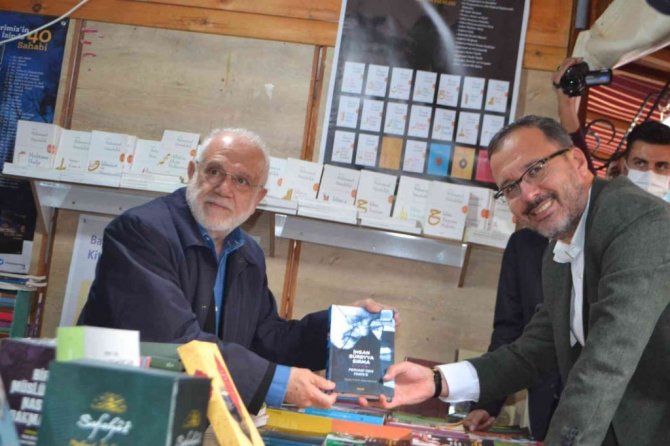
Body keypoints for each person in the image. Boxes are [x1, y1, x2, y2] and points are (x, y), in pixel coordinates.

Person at [364, 116, 670, 446]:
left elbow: (607, 360)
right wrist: (437, 381)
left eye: (535, 169)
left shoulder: (641, 221)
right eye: (510, 188)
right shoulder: (559, 250)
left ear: (578, 161)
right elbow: (533, 351)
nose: (528, 194)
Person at [78, 128, 395, 414]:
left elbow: (268, 340)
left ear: (258, 199)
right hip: (109, 415)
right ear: (192, 173)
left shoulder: (247, 253)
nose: (224, 188)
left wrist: (340, 328)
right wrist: (275, 382)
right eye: (214, 171)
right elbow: (173, 342)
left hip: (182, 417)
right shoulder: (141, 231)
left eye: (242, 180)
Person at [463, 229, 560, 441]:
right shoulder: (524, 243)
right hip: (545, 407)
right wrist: (487, 403)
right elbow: (508, 331)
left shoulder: (603, 234)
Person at [553, 57, 670, 199]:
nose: (649, 174)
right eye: (640, 163)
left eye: (661, 166)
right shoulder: (602, 204)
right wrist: (565, 101)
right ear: (625, 168)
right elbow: (575, 146)